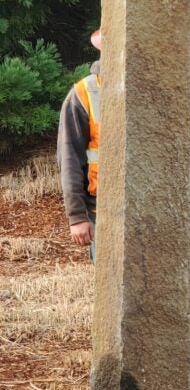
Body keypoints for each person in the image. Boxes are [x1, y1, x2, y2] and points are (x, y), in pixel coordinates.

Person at [57, 28, 102, 262]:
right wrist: (77, 216)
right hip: (100, 211)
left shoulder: (150, 88)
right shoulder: (85, 93)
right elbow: (69, 157)